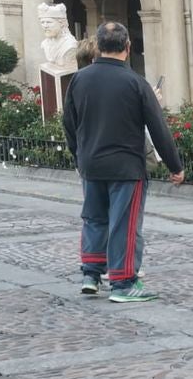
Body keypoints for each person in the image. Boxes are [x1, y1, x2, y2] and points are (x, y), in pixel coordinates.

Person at [62, 22, 185, 303]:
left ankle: (91, 275)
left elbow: (68, 122)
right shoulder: (136, 83)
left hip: (91, 164)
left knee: (93, 218)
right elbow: (158, 129)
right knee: (124, 224)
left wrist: (79, 156)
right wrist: (175, 166)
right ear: (127, 48)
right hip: (126, 167)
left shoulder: (80, 79)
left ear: (99, 46)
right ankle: (123, 282)